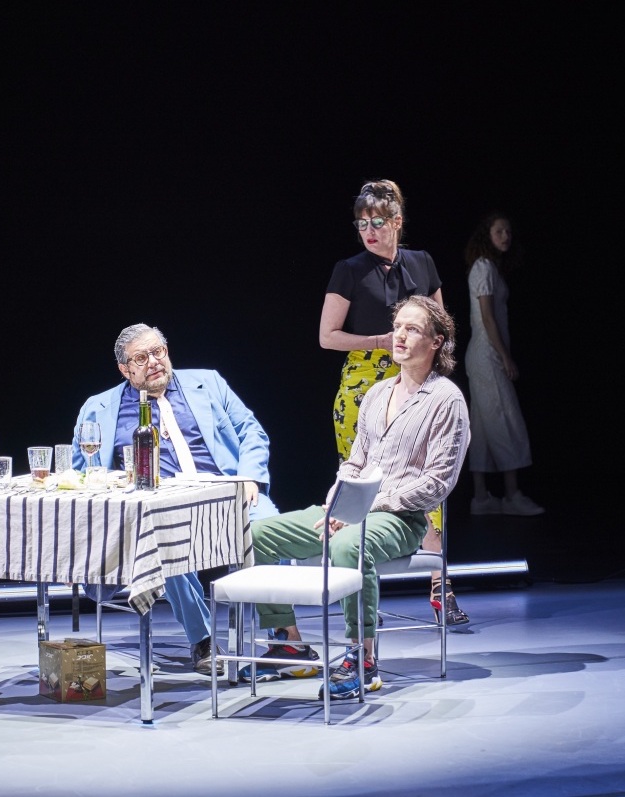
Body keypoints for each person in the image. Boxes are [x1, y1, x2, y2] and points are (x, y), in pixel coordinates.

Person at [246, 296, 469, 699]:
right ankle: (289, 643)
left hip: (401, 517)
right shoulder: (377, 394)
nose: (399, 335)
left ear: (437, 341)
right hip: (351, 509)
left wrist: (365, 507)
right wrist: (339, 503)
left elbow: (438, 482)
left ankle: (361, 658)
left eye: (412, 329)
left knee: (350, 544)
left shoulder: (446, 399)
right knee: (256, 534)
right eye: (397, 327)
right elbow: (354, 463)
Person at [71, 323, 280, 675]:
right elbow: (83, 474)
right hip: (163, 507)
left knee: (271, 530)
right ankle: (203, 639)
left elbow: (251, 431)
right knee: (160, 541)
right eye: (141, 358)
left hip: (228, 494)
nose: (154, 362)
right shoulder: (98, 408)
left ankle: (282, 634)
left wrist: (249, 476)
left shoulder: (208, 382)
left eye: (158, 352)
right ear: (125, 369)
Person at [318, 178, 468, 626]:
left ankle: (441, 585)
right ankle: (362, 591)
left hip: (417, 374)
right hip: (364, 383)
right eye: (361, 223)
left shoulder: (421, 262)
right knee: (361, 481)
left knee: (426, 476)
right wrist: (380, 341)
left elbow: (442, 327)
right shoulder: (349, 269)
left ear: (397, 222)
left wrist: (439, 381)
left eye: (377, 222)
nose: (368, 231)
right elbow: (327, 336)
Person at [464, 212, 544, 516]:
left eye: (508, 231)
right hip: (487, 355)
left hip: (484, 355)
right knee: (506, 420)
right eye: (499, 231)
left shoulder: (489, 267)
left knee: (484, 425)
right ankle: (511, 495)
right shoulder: (483, 267)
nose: (506, 236)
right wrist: (505, 356)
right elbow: (487, 318)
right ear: (487, 235)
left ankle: (481, 498)